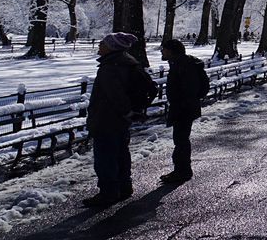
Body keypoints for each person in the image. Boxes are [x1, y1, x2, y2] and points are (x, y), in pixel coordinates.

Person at [83, 32, 157, 208]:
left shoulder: (110, 67)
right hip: (120, 120)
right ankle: (124, 186)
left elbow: (114, 95)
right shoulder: (128, 63)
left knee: (105, 157)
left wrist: (125, 111)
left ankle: (108, 192)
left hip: (106, 118)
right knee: (121, 153)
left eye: (103, 43)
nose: (99, 45)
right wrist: (129, 113)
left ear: (112, 47)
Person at [160, 39, 209, 184]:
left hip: (183, 108)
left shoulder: (182, 66)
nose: (162, 51)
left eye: (164, 49)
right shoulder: (181, 63)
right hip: (185, 107)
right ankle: (181, 169)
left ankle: (182, 171)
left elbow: (189, 88)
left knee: (181, 140)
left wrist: (182, 102)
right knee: (181, 139)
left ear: (171, 51)